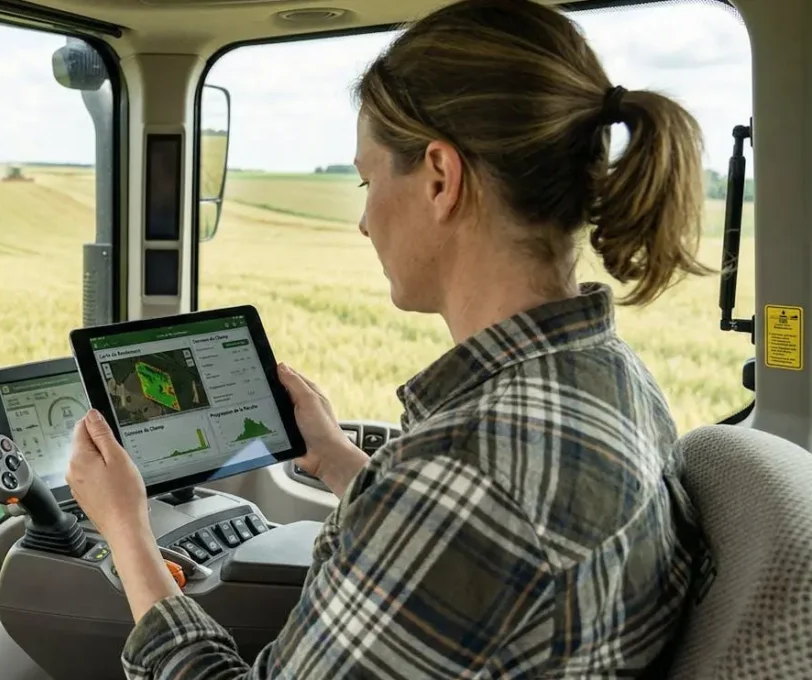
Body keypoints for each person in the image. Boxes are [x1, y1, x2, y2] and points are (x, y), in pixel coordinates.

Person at [65, 0, 707, 676]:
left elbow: (471, 512)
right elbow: (480, 566)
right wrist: (341, 461)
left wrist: (127, 534)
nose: (365, 221)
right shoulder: (611, 374)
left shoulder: (465, 470)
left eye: (368, 180)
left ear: (440, 178)